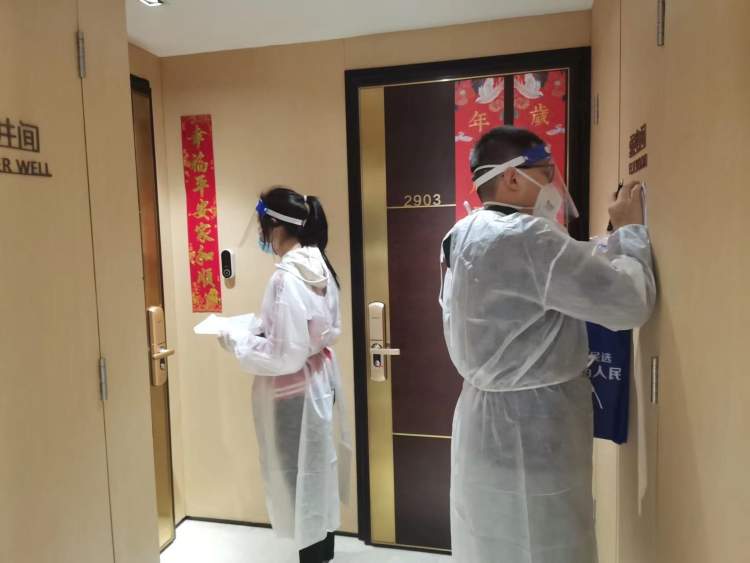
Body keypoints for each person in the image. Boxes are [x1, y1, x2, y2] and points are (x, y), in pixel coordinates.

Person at [440, 126, 656, 563]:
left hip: (480, 426)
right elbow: (629, 304)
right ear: (512, 177)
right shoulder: (531, 238)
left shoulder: (461, 235)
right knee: (548, 546)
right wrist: (631, 233)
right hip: (537, 426)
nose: (553, 186)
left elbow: (540, 284)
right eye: (545, 173)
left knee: (491, 542)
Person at [217, 186, 350, 563]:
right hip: (318, 382)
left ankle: (313, 557)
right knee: (317, 475)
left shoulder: (286, 278)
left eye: (262, 227)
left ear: (275, 226)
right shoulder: (318, 265)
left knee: (299, 482)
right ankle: (322, 554)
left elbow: (283, 356)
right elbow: (314, 330)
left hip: (294, 394)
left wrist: (237, 341)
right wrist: (262, 330)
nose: (261, 236)